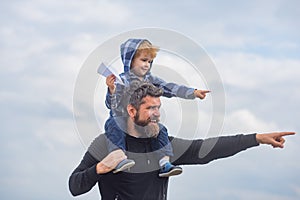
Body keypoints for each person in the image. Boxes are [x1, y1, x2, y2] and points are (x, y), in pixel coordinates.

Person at [69, 83, 295, 200]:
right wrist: (100, 168)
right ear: (131, 110)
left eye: (158, 108)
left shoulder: (162, 146)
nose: (157, 114)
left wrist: (256, 139)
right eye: (150, 108)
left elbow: (207, 148)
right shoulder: (106, 144)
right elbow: (74, 186)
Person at [102, 38, 210, 176]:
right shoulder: (121, 80)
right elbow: (110, 105)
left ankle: (164, 163)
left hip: (144, 121)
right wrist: (111, 90)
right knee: (112, 124)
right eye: (143, 60)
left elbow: (170, 88)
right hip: (123, 120)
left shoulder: (151, 80)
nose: (147, 65)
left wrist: (192, 92)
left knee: (161, 130)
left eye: (149, 62)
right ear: (130, 60)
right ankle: (118, 157)